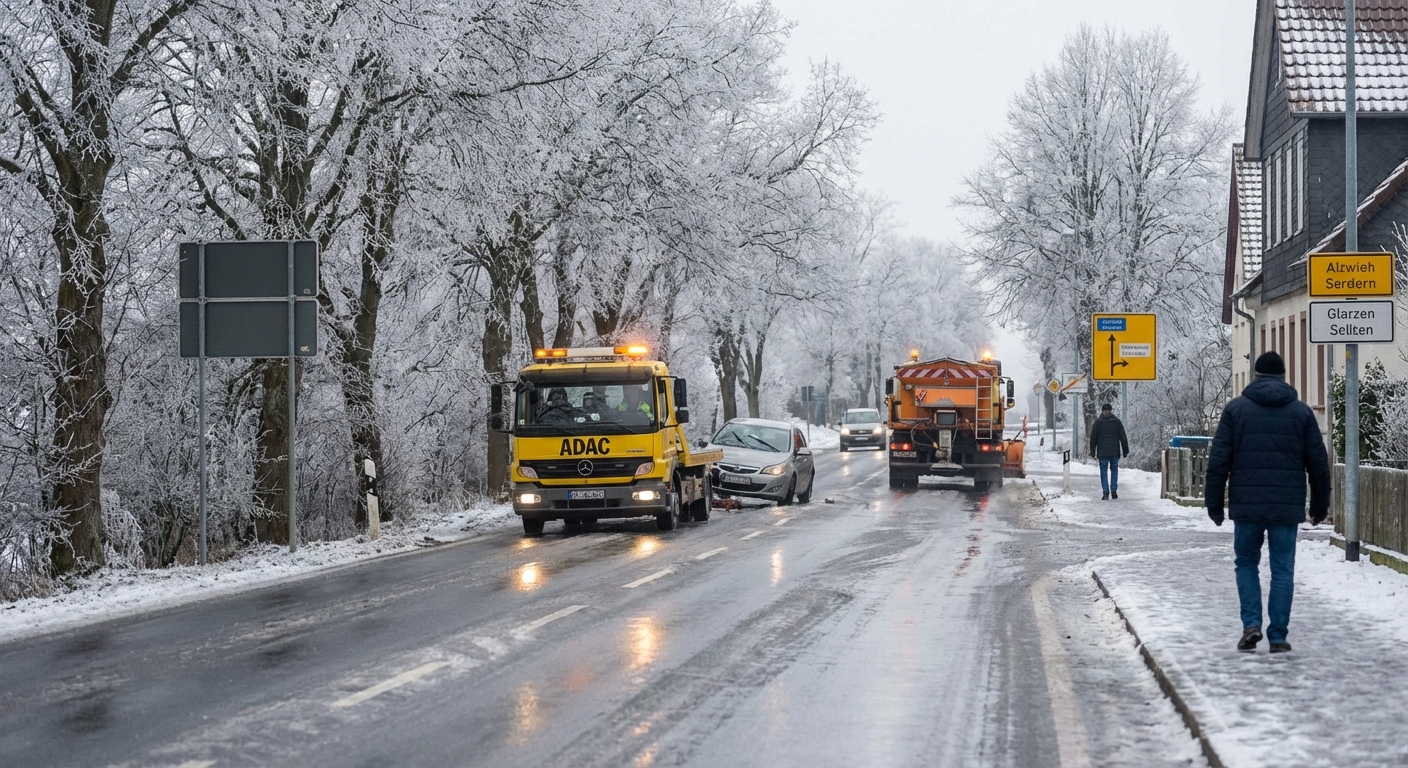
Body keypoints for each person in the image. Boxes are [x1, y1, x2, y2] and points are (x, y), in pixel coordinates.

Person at [1204, 351, 1330, 654]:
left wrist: (1214, 504)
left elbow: (1218, 461)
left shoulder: (1235, 410)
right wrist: (1320, 505)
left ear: (1255, 375)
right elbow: (1318, 462)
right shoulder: (1301, 413)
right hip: (1286, 506)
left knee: (1246, 563)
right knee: (1283, 569)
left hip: (1247, 504)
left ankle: (1251, 624)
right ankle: (1278, 635)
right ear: (1283, 376)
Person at [1088, 402, 1129, 500]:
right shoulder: (1117, 422)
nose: (1106, 412)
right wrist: (1125, 450)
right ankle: (1113, 490)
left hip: (1102, 452)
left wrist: (1092, 451)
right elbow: (1123, 437)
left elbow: (1093, 438)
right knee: (1114, 470)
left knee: (1103, 471)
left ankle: (1105, 492)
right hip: (1114, 451)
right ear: (1111, 411)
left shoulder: (1098, 423)